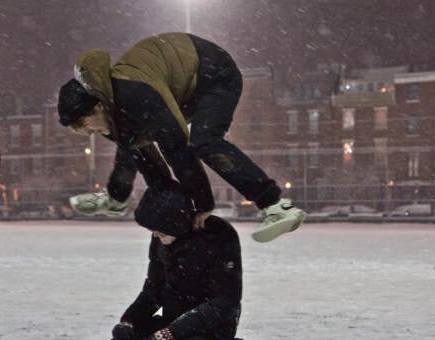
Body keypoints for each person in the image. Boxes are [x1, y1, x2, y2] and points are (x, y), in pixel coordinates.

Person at [57, 32, 306, 243]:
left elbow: (177, 148)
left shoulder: (136, 95)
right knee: (132, 145)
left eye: (85, 125)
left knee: (204, 141)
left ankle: (275, 206)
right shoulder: (116, 112)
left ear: (98, 106)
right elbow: (147, 162)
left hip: (215, 74)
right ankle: (116, 199)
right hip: (182, 87)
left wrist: (203, 204)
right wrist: (167, 204)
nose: (89, 133)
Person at [85, 181, 276, 340]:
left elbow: (226, 303)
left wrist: (173, 333)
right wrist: (129, 321)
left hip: (210, 330)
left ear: (175, 222)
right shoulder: (162, 239)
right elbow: (152, 291)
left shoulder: (219, 235)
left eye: (158, 230)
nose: (155, 235)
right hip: (171, 324)